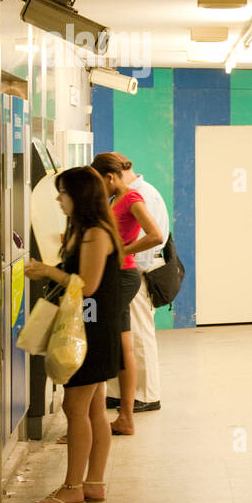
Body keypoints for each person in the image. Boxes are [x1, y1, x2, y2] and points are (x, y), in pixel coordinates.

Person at [23, 166, 123, 503]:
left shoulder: (96, 233)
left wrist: (48, 270)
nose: (58, 198)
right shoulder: (84, 231)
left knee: (74, 406)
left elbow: (89, 286)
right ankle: (93, 484)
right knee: (94, 408)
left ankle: (72, 487)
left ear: (79, 196)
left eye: (62, 192)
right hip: (91, 326)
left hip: (90, 330)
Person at [88, 153, 164, 437]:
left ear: (109, 177)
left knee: (105, 344)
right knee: (122, 346)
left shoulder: (132, 199)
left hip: (122, 276)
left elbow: (155, 235)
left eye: (100, 182)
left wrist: (120, 250)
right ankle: (125, 418)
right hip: (114, 275)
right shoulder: (113, 200)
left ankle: (96, 419)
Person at [104, 152, 170, 414]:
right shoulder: (127, 193)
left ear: (113, 175)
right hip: (132, 270)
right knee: (127, 336)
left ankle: (147, 394)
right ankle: (123, 393)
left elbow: (151, 237)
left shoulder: (141, 195)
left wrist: (125, 255)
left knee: (140, 336)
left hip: (140, 272)